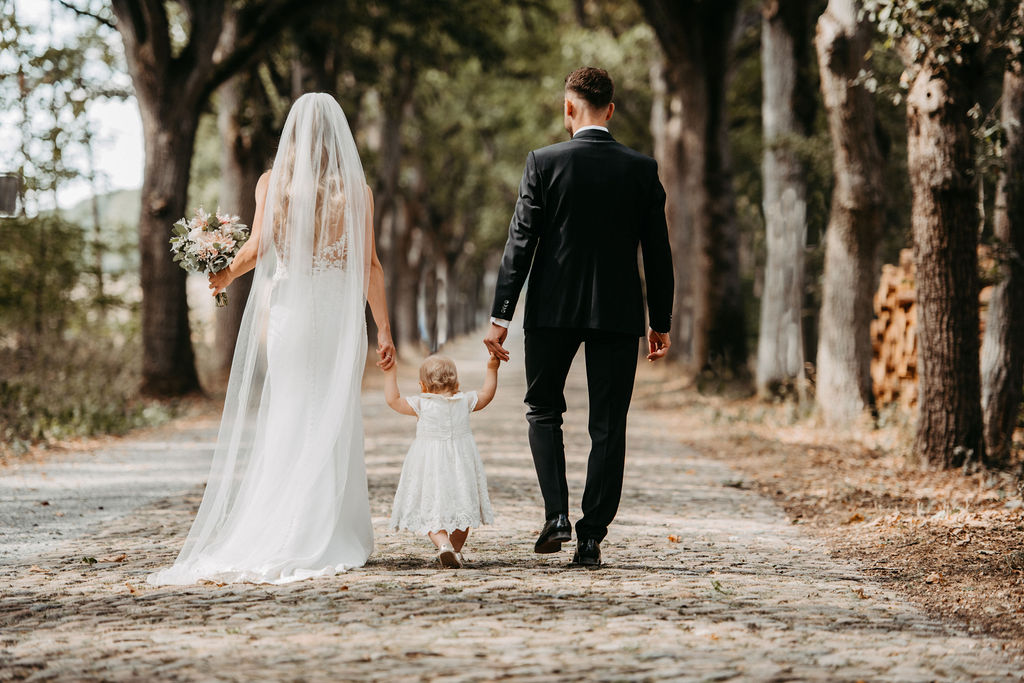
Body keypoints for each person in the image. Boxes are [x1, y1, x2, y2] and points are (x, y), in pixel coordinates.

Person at [148, 93, 396, 586]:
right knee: (331, 412)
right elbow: (369, 266)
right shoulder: (358, 191)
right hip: (336, 318)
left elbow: (258, 249)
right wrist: (383, 329)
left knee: (289, 411)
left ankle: (285, 523)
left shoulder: (273, 184)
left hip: (291, 314)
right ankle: (327, 528)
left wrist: (222, 274)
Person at [483, 67, 674, 568]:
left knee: (544, 410)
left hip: (551, 310)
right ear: (610, 109)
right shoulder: (641, 167)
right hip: (618, 313)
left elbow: (519, 243)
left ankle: (556, 516)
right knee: (609, 423)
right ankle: (591, 537)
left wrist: (501, 315)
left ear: (569, 108)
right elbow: (657, 250)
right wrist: (662, 320)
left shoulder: (543, 163)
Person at [384, 355, 498, 568]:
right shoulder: (464, 401)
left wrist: (391, 372)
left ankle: (444, 546)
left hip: (430, 468)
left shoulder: (422, 404)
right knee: (463, 510)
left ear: (422, 386)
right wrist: (492, 368)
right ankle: (454, 550)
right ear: (457, 384)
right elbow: (487, 395)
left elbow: (393, 400)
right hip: (461, 468)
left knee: (431, 510)